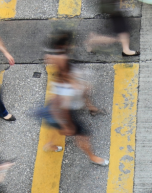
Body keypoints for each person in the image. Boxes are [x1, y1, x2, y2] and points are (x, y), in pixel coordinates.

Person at [44, 32, 108, 164]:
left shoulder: (63, 69)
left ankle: (49, 144)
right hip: (66, 112)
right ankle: (92, 157)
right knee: (83, 136)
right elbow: (64, 110)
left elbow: (50, 59)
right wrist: (68, 126)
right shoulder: (65, 90)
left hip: (64, 104)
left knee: (56, 123)